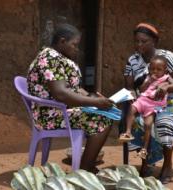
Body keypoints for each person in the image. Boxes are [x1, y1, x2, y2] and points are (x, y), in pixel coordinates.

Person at [27, 23, 114, 173]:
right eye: (74, 44)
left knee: (106, 112)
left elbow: (71, 88)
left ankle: (87, 165)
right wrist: (96, 102)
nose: (76, 49)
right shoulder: (49, 58)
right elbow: (61, 93)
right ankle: (85, 169)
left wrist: (91, 96)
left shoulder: (58, 58)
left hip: (60, 110)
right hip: (50, 115)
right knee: (103, 119)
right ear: (62, 41)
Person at [123, 22, 173, 183]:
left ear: (154, 42)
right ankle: (145, 162)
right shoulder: (133, 60)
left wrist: (167, 87)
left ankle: (167, 164)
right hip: (146, 101)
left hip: (170, 102)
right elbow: (129, 86)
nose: (139, 45)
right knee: (138, 122)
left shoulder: (167, 56)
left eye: (144, 41)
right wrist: (131, 96)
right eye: (136, 41)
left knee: (165, 122)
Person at [119, 55, 173, 160]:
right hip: (143, 100)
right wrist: (148, 81)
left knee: (148, 124)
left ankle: (144, 149)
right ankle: (127, 132)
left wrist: (166, 86)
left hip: (154, 104)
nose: (155, 71)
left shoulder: (167, 78)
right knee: (132, 108)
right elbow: (141, 90)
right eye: (152, 69)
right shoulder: (148, 77)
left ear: (165, 70)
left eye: (159, 69)